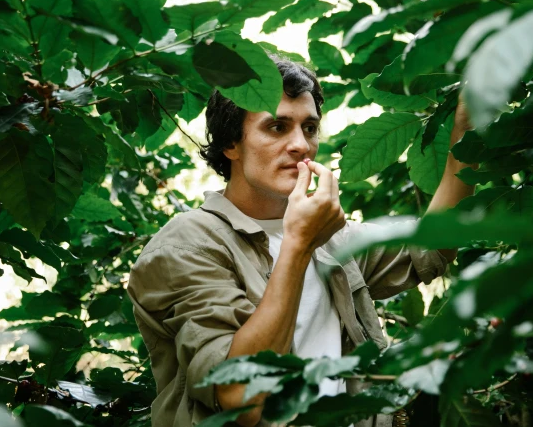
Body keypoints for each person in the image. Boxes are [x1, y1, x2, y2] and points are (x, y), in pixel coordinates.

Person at [126, 59, 476, 427]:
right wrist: (298, 244)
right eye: (277, 127)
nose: (300, 145)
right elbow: (241, 396)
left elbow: (434, 246)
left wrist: (466, 129)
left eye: (309, 128)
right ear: (231, 143)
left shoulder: (329, 237)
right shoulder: (186, 245)